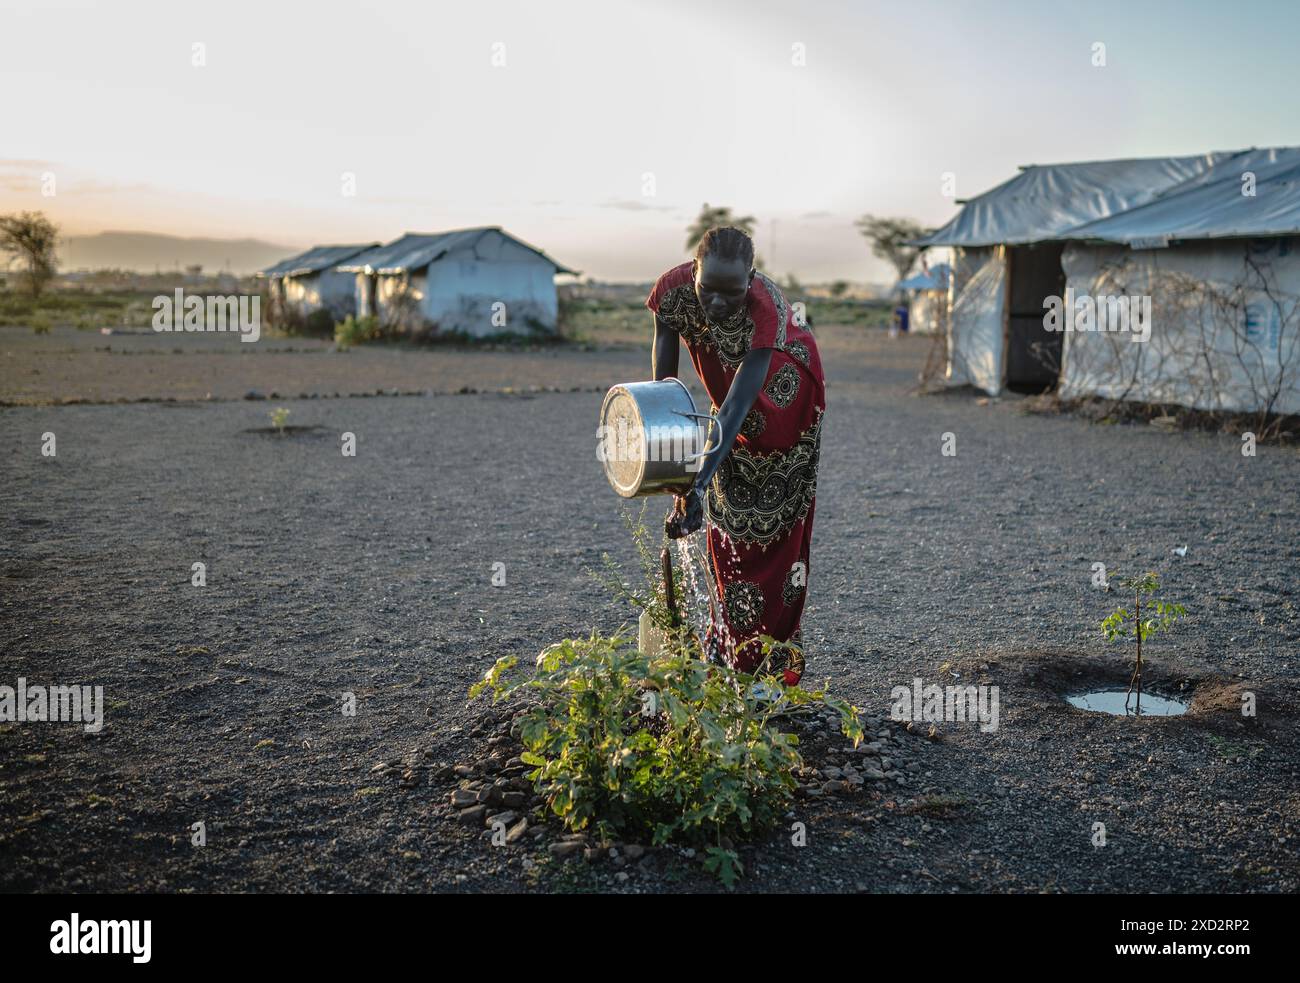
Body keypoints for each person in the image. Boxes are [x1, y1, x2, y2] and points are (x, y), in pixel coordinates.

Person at [644, 227, 824, 687]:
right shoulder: (672, 293)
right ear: (694, 271)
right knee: (724, 520)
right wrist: (676, 473)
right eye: (709, 290)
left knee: (774, 537)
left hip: (785, 406)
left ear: (751, 279)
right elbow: (665, 394)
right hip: (730, 401)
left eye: (733, 292)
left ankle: (766, 666)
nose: (719, 304)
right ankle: (726, 646)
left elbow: (739, 406)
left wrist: (697, 480)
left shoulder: (767, 309)